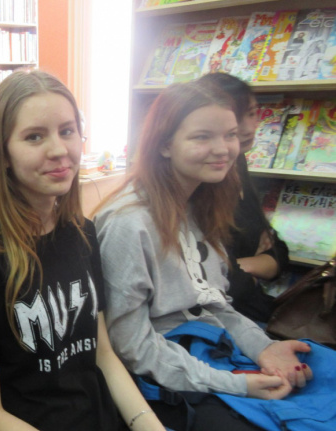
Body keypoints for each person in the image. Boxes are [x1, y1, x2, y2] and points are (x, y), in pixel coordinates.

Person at [0, 70, 166, 431]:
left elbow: (102, 354)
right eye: (35, 137)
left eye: (67, 131)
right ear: (2, 153)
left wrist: (147, 423)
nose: (59, 150)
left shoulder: (82, 233)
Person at [92, 81, 316, 431]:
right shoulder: (129, 224)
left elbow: (214, 303)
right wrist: (236, 384)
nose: (223, 149)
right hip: (162, 381)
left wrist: (263, 348)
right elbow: (132, 347)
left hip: (210, 354)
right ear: (164, 144)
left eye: (230, 135)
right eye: (202, 137)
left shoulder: (201, 203)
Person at [197, 72, 289, 324]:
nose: (248, 128)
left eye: (251, 113)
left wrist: (237, 266)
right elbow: (205, 279)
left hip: (252, 311)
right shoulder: (199, 182)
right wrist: (247, 267)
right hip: (220, 318)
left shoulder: (237, 164)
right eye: (237, 116)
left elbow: (278, 251)